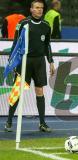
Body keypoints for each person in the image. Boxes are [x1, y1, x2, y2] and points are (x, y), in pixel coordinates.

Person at [4, 0, 55, 132]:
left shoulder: (46, 25)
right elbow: (15, 43)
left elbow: (47, 45)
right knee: (17, 91)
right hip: (24, 61)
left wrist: (51, 62)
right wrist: (13, 61)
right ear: (31, 9)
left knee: (39, 91)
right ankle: (9, 121)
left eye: (41, 8)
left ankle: (42, 123)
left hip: (39, 62)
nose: (39, 10)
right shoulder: (23, 24)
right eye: (37, 8)